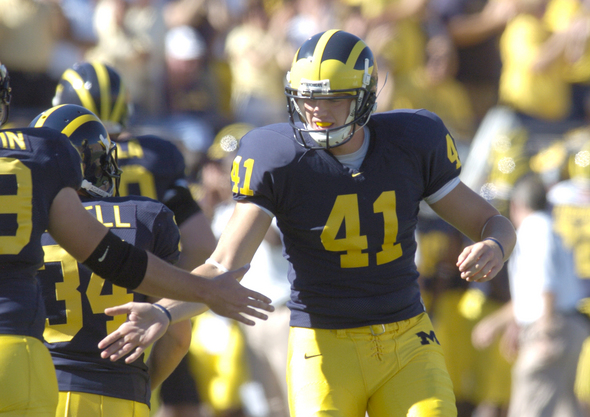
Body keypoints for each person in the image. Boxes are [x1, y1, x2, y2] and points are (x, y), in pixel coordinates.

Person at [98, 30, 517, 416]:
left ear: (366, 97)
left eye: (334, 98)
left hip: (409, 340)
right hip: (324, 345)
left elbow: (493, 222)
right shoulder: (277, 158)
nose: (317, 111)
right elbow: (223, 267)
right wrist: (165, 313)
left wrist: (495, 247)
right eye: (307, 98)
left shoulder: (411, 141)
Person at [0, 63, 272, 416]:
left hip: (45, 374)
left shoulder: (30, 210)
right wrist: (199, 291)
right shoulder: (146, 215)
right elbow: (124, 264)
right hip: (94, 381)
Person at [33, 103, 191, 416]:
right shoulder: (147, 216)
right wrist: (142, 385)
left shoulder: (25, 221)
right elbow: (177, 337)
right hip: (121, 393)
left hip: (36, 390)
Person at [51, 60, 216, 272]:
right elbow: (201, 246)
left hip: (74, 287)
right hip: (144, 285)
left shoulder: (56, 156)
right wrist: (164, 291)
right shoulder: (158, 154)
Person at [473, 173, 589, 417]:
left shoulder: (535, 228)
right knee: (564, 409)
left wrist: (544, 333)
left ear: (516, 204)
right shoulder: (547, 226)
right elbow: (535, 292)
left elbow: (546, 285)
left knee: (529, 408)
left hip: (552, 327)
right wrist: (505, 325)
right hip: (566, 325)